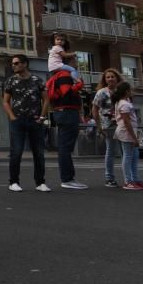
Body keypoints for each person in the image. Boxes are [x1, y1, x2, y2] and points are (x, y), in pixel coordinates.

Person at [3, 54, 50, 192]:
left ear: (25, 64)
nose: (14, 66)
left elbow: (46, 100)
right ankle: (14, 182)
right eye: (13, 64)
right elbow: (5, 101)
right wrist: (12, 117)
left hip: (35, 121)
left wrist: (42, 117)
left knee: (39, 153)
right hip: (18, 121)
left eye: (16, 63)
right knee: (16, 152)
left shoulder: (37, 80)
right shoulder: (10, 81)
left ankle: (40, 182)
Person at [47, 56, 87, 190]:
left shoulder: (55, 76)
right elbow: (66, 92)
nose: (77, 62)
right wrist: (78, 85)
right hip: (68, 113)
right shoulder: (64, 75)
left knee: (64, 146)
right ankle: (67, 179)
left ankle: (68, 178)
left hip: (61, 112)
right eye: (75, 60)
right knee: (65, 147)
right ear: (68, 62)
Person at [113, 81, 143, 190]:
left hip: (128, 131)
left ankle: (135, 179)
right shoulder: (124, 104)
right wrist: (134, 138)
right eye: (131, 89)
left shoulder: (124, 102)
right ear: (126, 91)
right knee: (128, 156)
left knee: (134, 156)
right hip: (126, 132)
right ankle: (128, 181)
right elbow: (127, 122)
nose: (132, 91)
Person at [91, 68, 122, 187]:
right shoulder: (101, 92)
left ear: (117, 78)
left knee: (125, 151)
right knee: (110, 150)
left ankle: (129, 178)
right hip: (108, 125)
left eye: (112, 76)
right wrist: (98, 125)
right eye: (107, 77)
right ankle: (109, 178)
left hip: (122, 123)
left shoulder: (121, 91)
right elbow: (94, 108)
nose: (110, 79)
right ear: (105, 79)